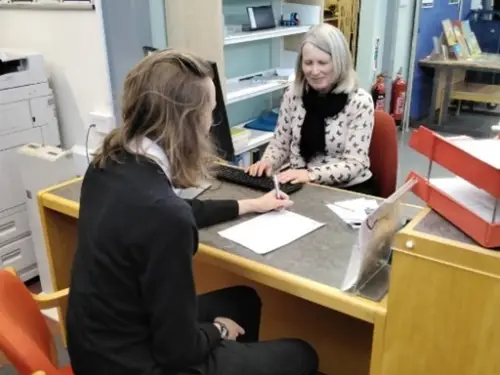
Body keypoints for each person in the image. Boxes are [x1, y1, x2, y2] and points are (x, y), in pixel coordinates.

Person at [66, 49, 319, 375]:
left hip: (95, 347)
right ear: (187, 123)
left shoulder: (109, 165)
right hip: (135, 364)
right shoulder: (164, 217)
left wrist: (251, 205)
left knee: (244, 300)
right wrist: (219, 330)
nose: (210, 126)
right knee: (302, 355)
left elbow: (171, 213)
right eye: (210, 114)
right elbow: (179, 351)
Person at [247, 24, 376, 195]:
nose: (314, 71)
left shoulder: (360, 102)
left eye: (322, 63)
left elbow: (354, 164)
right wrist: (267, 162)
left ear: (339, 62)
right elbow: (280, 144)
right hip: (300, 185)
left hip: (347, 190)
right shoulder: (293, 95)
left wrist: (310, 175)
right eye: (308, 63)